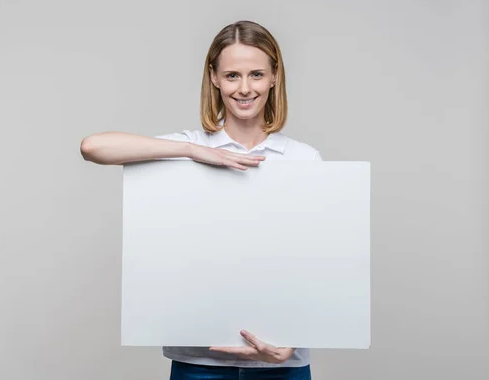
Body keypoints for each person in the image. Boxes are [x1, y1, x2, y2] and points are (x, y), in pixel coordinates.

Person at [81, 20, 321, 379]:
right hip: (199, 366)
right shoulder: (188, 150)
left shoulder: (303, 159)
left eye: (256, 74)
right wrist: (194, 151)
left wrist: (292, 342)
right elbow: (93, 147)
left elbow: (320, 265)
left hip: (281, 366)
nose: (244, 88)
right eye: (232, 76)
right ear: (213, 77)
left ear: (274, 77)